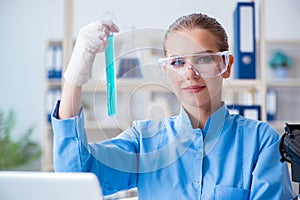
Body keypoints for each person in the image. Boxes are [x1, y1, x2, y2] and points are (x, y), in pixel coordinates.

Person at [52, 13, 294, 199]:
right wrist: (76, 74)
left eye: (203, 59)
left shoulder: (261, 142)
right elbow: (75, 172)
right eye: (178, 62)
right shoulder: (145, 141)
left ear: (226, 65)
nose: (190, 73)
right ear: (167, 71)